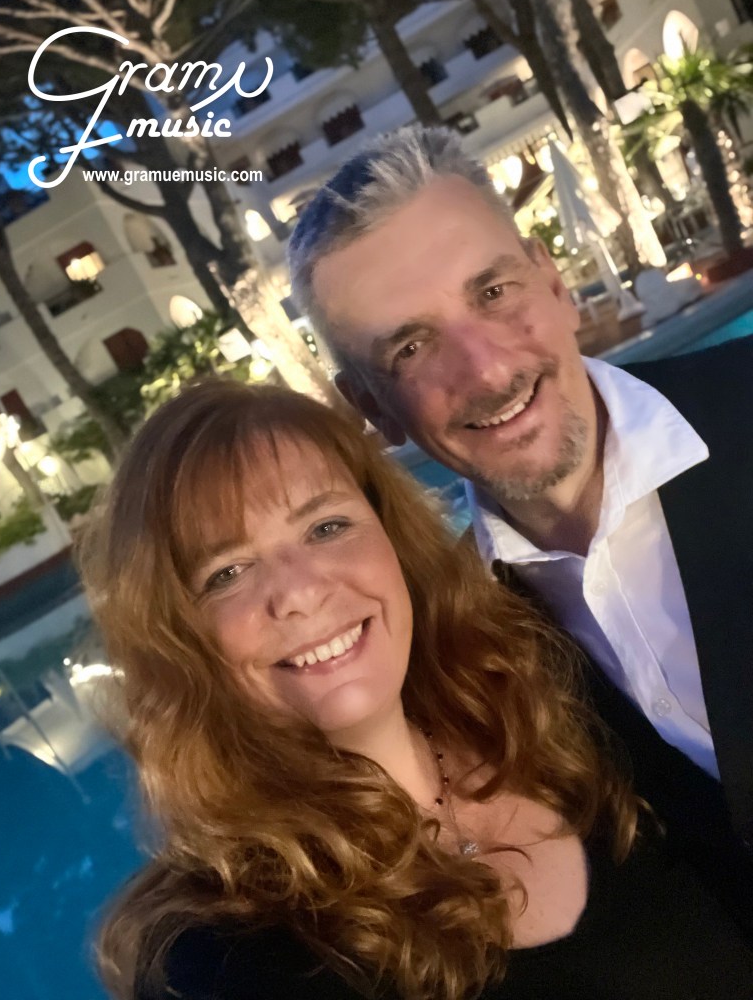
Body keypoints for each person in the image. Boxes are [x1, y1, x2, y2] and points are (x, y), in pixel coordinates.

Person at [83, 380, 752, 1000]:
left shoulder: (552, 709)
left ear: (392, 537)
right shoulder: (220, 958)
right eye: (227, 573)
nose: (300, 591)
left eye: (326, 527)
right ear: (176, 641)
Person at [287, 124, 753, 932]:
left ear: (554, 282)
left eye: (494, 292)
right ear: (371, 408)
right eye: (412, 346)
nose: (488, 369)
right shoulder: (457, 655)